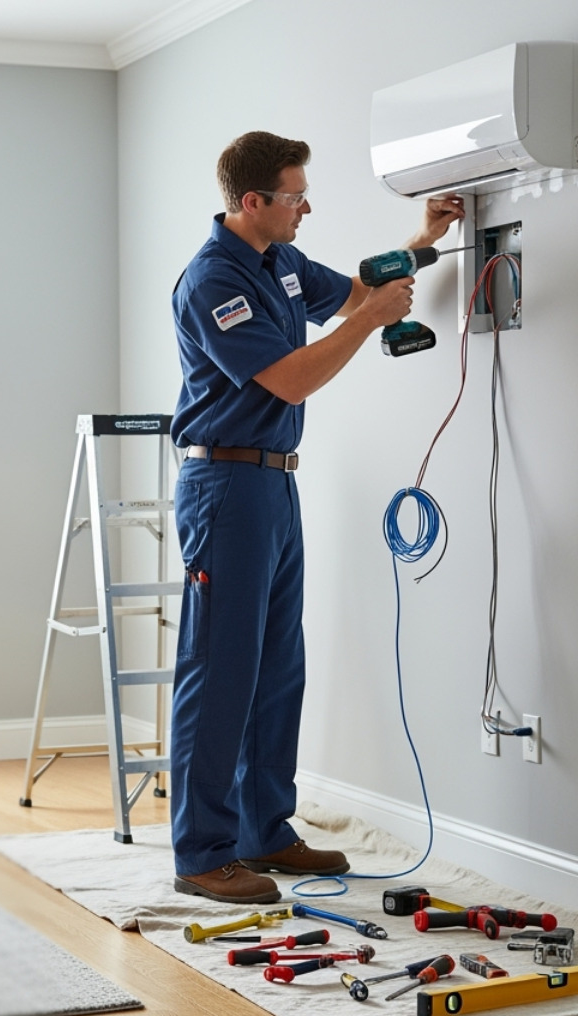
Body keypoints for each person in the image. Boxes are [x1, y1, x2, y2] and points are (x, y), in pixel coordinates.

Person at [168, 130, 463, 903]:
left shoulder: (281, 262)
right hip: (224, 486)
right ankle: (202, 853)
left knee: (276, 667)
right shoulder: (213, 280)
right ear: (253, 201)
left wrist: (422, 241)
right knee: (220, 670)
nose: (307, 207)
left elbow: (360, 290)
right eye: (295, 196)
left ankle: (263, 831)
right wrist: (368, 323)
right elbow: (291, 380)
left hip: (274, 485)